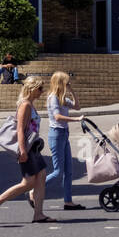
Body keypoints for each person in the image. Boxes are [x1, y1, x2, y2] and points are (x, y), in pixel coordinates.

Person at [0, 76, 53, 223]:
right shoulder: (25, 105)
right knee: (28, 183)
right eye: (40, 88)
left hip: (33, 148)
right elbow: (20, 130)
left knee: (41, 176)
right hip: (28, 149)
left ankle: (38, 214)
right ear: (32, 89)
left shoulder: (30, 104)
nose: (42, 92)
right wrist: (22, 151)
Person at [45, 71, 87, 210]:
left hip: (64, 134)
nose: (68, 84)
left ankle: (68, 201)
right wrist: (76, 119)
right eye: (67, 82)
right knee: (58, 171)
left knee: (69, 171)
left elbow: (77, 106)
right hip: (56, 134)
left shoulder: (62, 97)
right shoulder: (53, 98)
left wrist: (72, 91)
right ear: (60, 83)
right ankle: (33, 190)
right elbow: (57, 117)